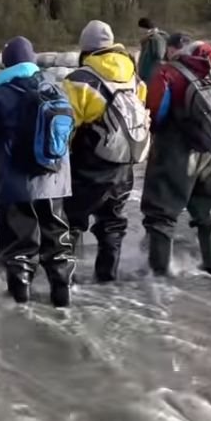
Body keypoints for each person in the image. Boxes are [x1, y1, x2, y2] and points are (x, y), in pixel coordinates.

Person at [0, 37, 76, 306]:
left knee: (20, 244)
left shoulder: (2, 94)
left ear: (7, 63)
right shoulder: (55, 87)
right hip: (56, 180)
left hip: (16, 184)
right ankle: (62, 296)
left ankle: (20, 304)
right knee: (58, 239)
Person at [61, 20, 149, 283]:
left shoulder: (79, 81)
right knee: (112, 223)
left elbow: (67, 128)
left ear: (85, 50)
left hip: (88, 167)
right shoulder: (134, 78)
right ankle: (107, 284)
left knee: (70, 223)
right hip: (124, 165)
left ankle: (66, 286)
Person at [141, 34, 211, 276]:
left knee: (162, 214)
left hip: (178, 150)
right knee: (209, 212)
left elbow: (156, 112)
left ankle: (158, 279)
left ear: (173, 50)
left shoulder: (167, 72)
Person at [137, 18, 168, 85]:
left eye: (140, 28)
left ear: (143, 27)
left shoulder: (156, 39)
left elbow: (159, 55)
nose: (139, 30)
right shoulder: (149, 38)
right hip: (146, 75)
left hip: (151, 75)